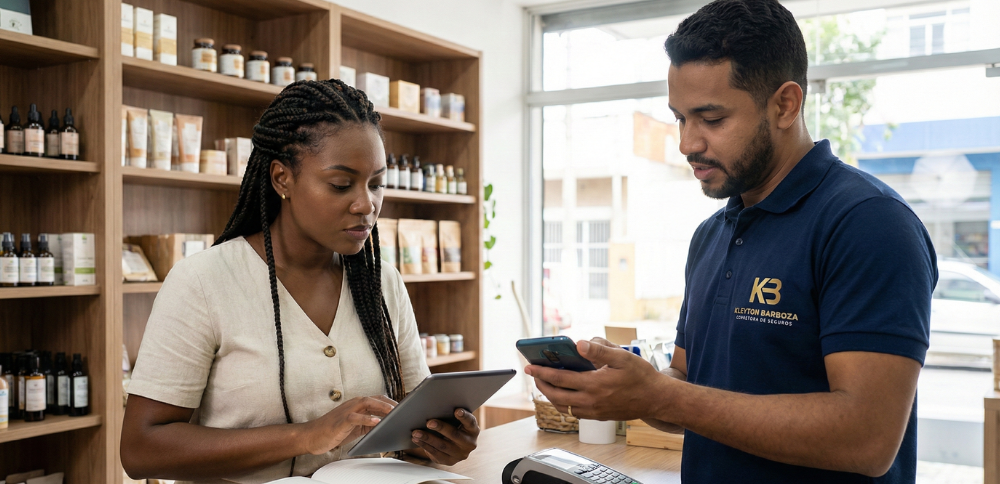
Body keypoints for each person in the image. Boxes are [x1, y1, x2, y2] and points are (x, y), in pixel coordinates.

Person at [526, 0, 937, 482]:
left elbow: (867, 439)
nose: (687, 143)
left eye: (711, 119)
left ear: (785, 104)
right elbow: (688, 389)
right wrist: (629, 388)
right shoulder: (711, 234)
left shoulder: (868, 224)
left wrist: (663, 396)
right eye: (680, 118)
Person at [121, 80, 480, 483]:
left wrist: (438, 439)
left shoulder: (382, 284)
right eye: (341, 185)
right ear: (282, 179)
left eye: (376, 183)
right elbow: (140, 449)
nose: (366, 205)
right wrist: (306, 436)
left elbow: (409, 415)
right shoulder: (203, 282)